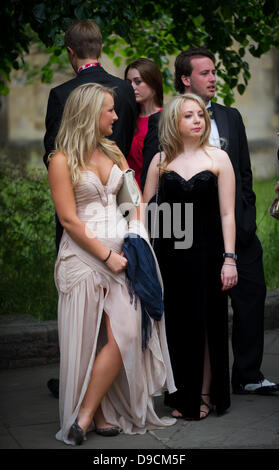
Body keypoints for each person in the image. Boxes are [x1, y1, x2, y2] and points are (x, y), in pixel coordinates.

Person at [48, 82, 176, 445]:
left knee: (128, 332)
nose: (117, 116)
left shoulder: (115, 151)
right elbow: (70, 221)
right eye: (110, 109)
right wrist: (107, 256)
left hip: (124, 254)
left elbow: (133, 199)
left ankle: (83, 417)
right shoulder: (61, 160)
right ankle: (99, 413)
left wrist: (135, 232)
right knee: (91, 339)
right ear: (89, 113)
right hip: (84, 259)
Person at [174, 47, 279, 395]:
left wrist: (245, 217)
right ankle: (194, 381)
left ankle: (247, 374)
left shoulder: (231, 117)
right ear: (186, 79)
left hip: (239, 228)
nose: (213, 78)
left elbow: (245, 174)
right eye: (204, 73)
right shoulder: (169, 121)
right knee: (199, 308)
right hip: (196, 234)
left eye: (214, 71)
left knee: (252, 295)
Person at [144, 93, 237, 419]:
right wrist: (146, 260)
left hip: (209, 255)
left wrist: (229, 258)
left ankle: (205, 394)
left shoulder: (219, 158)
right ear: (174, 121)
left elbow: (228, 214)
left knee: (207, 323)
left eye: (200, 114)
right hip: (170, 256)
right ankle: (181, 393)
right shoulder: (159, 160)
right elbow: (146, 212)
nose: (197, 120)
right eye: (189, 115)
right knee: (178, 326)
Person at [43, 19, 137, 251]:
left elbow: (53, 152)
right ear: (100, 48)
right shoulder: (125, 90)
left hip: (78, 201)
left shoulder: (61, 94)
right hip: (121, 194)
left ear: (70, 52)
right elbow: (128, 135)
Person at [124, 58, 163, 189]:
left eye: (138, 82)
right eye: (128, 82)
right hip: (129, 194)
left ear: (153, 82)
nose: (132, 87)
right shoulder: (125, 119)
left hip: (158, 195)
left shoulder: (168, 119)